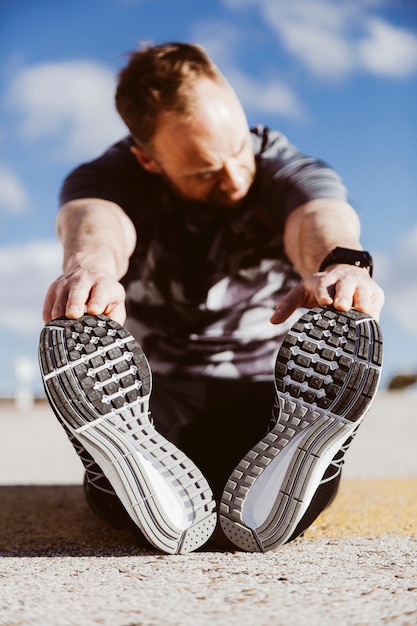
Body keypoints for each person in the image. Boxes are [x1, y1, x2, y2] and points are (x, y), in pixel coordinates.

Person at [40, 42, 384, 554]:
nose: (235, 177)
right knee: (135, 471)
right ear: (147, 159)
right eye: (204, 172)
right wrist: (91, 266)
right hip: (156, 396)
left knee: (294, 461)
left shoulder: (281, 165)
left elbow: (318, 214)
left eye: (239, 149)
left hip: (267, 394)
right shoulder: (110, 176)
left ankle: (308, 453)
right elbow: (94, 219)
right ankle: (118, 461)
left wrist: (339, 264)